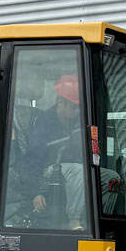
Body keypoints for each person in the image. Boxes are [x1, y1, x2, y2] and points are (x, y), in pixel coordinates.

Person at [31, 73, 83, 215]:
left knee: (110, 177)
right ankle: (75, 219)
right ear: (60, 102)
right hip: (49, 169)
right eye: (74, 106)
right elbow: (32, 159)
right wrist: (37, 192)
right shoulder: (44, 123)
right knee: (81, 172)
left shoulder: (76, 122)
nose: (78, 111)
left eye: (79, 107)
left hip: (72, 169)